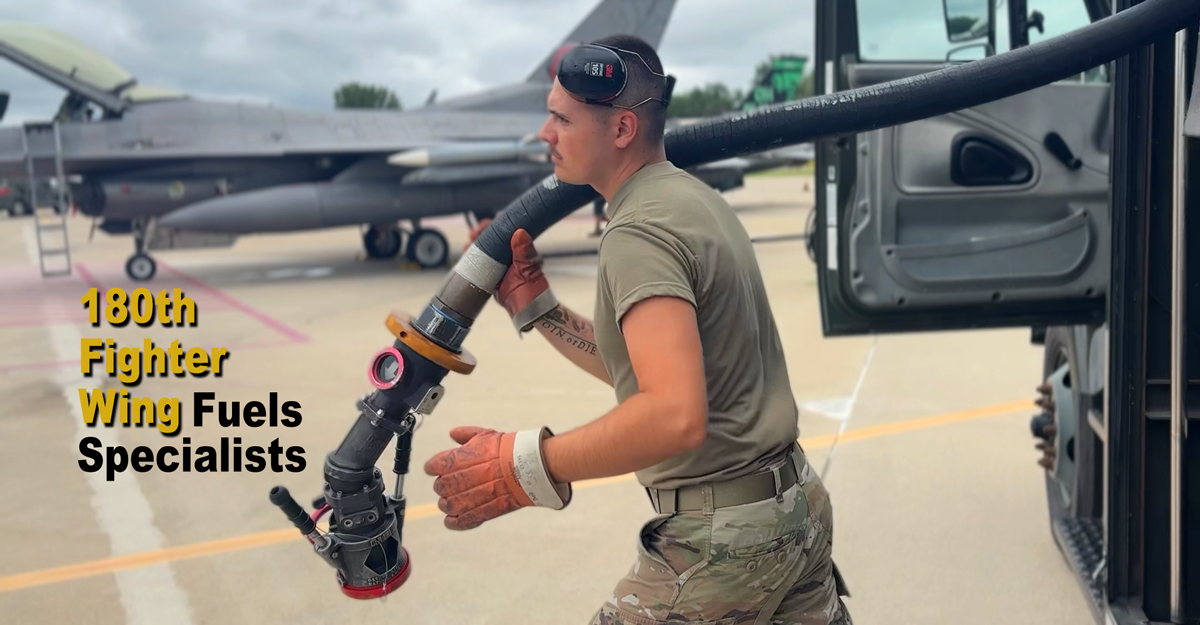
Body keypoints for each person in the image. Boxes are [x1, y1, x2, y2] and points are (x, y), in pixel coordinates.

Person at [425, 34, 852, 625]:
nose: (546, 135)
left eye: (561, 119)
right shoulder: (692, 201)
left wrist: (521, 465)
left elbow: (673, 413)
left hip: (725, 542)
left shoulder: (638, 232)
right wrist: (538, 306)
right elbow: (650, 369)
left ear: (621, 130)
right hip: (792, 508)